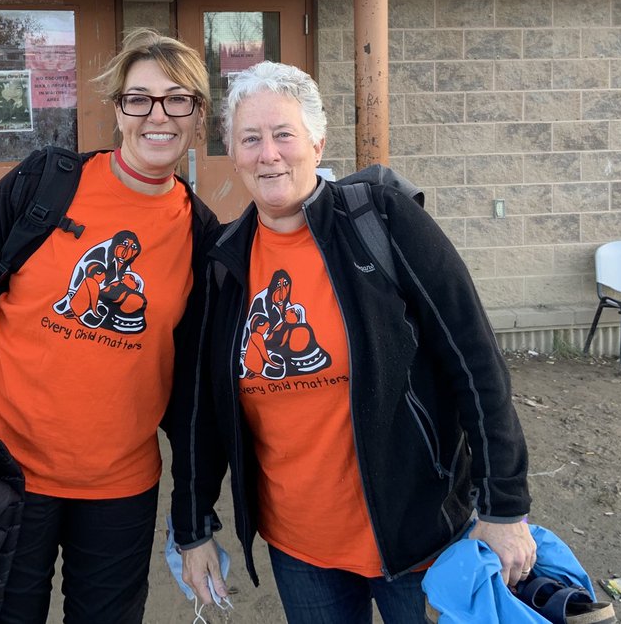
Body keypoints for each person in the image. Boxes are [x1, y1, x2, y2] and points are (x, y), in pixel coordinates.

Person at [175, 61, 535, 624]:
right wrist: (192, 528)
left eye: (283, 134)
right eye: (250, 138)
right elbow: (201, 411)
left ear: (317, 141)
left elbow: (475, 361)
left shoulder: (382, 220)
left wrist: (505, 505)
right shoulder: (226, 261)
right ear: (232, 150)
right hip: (300, 552)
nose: (268, 153)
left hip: (418, 540)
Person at [0, 29, 220, 624]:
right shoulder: (47, 183)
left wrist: (195, 516)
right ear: (118, 108)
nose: (158, 116)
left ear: (199, 116)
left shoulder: (202, 235)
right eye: (139, 98)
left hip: (119, 488)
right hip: (1, 472)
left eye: (178, 100)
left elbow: (196, 390)